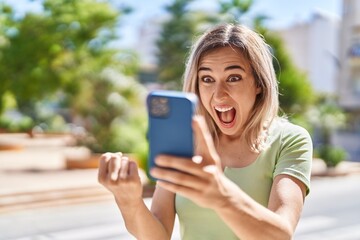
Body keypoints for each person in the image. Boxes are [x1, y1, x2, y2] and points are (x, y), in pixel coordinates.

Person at [98, 23, 313, 240]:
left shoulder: (290, 140)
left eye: (233, 77)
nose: (219, 95)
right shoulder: (184, 140)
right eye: (207, 79)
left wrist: (221, 196)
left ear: (259, 83)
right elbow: (158, 236)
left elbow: (281, 235)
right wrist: (129, 202)